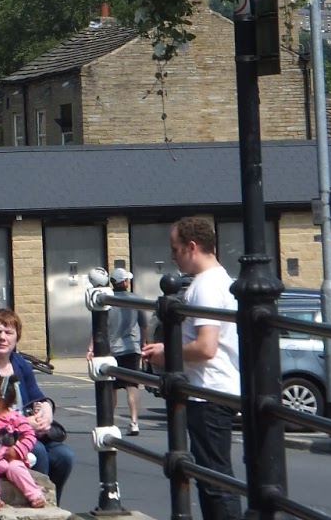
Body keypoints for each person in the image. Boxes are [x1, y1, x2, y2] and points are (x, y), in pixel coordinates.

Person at [141, 217, 242, 520]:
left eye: (175, 249)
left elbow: (206, 347)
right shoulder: (221, 280)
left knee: (214, 479)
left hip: (208, 391)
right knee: (213, 475)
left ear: (192, 247)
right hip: (216, 388)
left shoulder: (206, 287)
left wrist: (166, 352)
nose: (172, 256)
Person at [0, 308, 74, 505]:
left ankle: (52, 504)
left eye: (9, 333)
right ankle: (35, 504)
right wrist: (24, 424)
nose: (3, 338)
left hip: (20, 434)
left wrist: (46, 415)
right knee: (38, 451)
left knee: (64, 456)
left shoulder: (19, 363)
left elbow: (38, 398)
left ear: (17, 337)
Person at [0, 377, 47, 510]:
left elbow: (30, 436)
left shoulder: (16, 418)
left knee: (16, 468)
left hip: (11, 460)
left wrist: (18, 450)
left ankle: (34, 495)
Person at [90, 266, 147, 435]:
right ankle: (134, 421)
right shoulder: (135, 299)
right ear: (125, 282)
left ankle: (110, 421)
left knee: (112, 387)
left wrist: (91, 347)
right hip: (132, 348)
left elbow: (98, 327)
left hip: (112, 349)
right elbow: (144, 325)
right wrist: (142, 344)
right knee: (132, 386)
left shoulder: (106, 301)